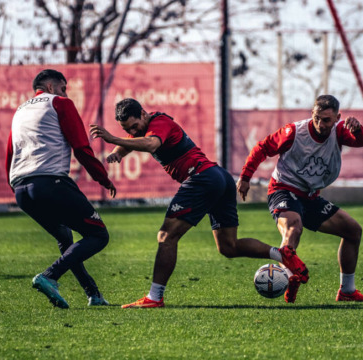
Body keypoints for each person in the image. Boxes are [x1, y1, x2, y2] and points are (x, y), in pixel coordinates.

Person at [89, 98, 308, 308]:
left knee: (166, 236)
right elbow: (134, 140)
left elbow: (150, 143)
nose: (133, 131)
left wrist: (113, 139)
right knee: (228, 247)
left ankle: (154, 297)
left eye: (135, 126)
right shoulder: (144, 126)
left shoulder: (159, 123)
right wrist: (118, 152)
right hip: (219, 178)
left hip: (202, 178)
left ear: (143, 114)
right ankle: (283, 255)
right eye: (129, 129)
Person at [237, 94, 363, 303]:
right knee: (294, 227)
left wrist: (357, 129)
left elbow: (361, 142)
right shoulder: (294, 132)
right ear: (312, 114)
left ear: (337, 118)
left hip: (310, 197)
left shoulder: (339, 132)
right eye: (316, 117)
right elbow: (263, 147)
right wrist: (245, 177)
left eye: (326, 120)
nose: (320, 123)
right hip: (283, 189)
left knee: (353, 231)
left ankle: (347, 291)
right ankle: (287, 278)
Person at [5, 69, 117, 309]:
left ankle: (94, 295)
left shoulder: (19, 111)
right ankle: (49, 276)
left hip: (21, 189)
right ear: (51, 86)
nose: (66, 93)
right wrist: (103, 178)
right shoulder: (60, 103)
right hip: (50, 184)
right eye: (64, 88)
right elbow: (81, 148)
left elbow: (9, 154)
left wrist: (16, 186)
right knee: (98, 235)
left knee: (65, 237)